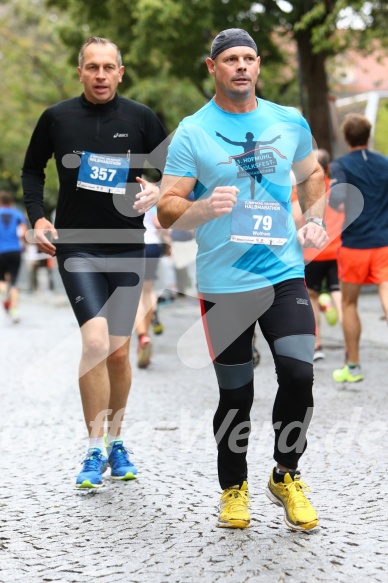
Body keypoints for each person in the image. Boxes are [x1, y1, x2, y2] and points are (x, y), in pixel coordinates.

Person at [158, 28, 328, 531]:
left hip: (283, 272)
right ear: (212, 67)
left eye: (249, 58)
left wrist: (314, 214)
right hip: (225, 283)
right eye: (230, 58)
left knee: (299, 373)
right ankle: (233, 489)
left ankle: (286, 473)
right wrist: (200, 206)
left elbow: (312, 173)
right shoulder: (193, 131)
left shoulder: (288, 121)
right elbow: (168, 210)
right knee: (237, 394)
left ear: (258, 66)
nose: (241, 66)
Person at [22, 36, 167, 489]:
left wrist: (159, 191)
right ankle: (92, 449)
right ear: (80, 72)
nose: (101, 75)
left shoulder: (141, 118)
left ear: (120, 72)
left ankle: (116, 440)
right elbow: (31, 169)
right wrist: (39, 216)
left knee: (120, 353)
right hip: (78, 247)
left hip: (126, 245)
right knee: (96, 340)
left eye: (109, 67)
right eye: (92, 67)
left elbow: (176, 170)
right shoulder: (57, 117)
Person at [329, 113, 388, 383]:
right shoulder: (384, 163)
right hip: (384, 242)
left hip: (354, 245)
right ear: (369, 134)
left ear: (345, 137)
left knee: (350, 303)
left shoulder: (340, 165)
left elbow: (336, 199)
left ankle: (353, 366)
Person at [292, 149, 344, 361]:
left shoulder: (301, 189)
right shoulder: (338, 189)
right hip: (337, 250)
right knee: (341, 296)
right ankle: (349, 344)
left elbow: (295, 216)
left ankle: (317, 345)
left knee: (311, 297)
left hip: (312, 252)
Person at [134, 206, 170, 368]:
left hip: (134, 245)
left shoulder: (122, 191)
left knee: (134, 295)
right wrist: (167, 242)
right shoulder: (149, 193)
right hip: (153, 246)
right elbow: (159, 223)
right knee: (148, 291)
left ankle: (142, 337)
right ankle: (147, 332)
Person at [0, 191, 27, 323]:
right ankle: (15, 312)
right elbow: (23, 233)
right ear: (10, 202)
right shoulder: (17, 214)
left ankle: (5, 295)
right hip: (14, 250)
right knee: (14, 281)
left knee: (2, 281)